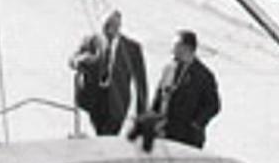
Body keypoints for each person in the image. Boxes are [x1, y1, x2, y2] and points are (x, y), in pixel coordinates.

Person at [135, 31, 223, 151]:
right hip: (164, 133)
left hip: (188, 138)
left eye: (176, 46)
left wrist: (196, 124)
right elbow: (158, 99)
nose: (173, 50)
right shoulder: (169, 68)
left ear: (187, 48)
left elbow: (213, 105)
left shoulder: (204, 75)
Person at [68, 9, 148, 137]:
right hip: (95, 99)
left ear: (119, 27)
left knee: (109, 134)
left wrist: (141, 114)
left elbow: (141, 82)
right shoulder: (91, 40)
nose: (108, 30)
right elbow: (72, 60)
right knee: (100, 132)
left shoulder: (132, 48)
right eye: (106, 25)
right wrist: (81, 60)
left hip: (117, 102)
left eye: (112, 25)